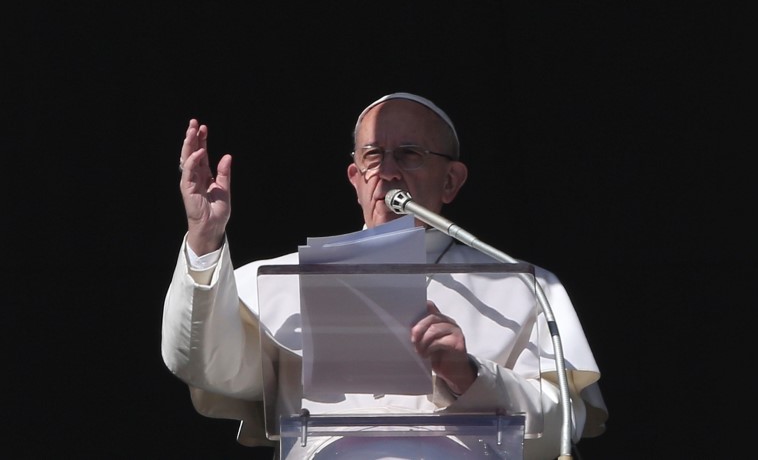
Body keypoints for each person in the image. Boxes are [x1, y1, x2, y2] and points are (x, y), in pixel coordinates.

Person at [161, 92, 608, 459]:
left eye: (409, 155)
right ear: (355, 177)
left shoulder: (520, 286)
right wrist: (205, 240)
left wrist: (470, 375)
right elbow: (205, 365)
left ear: (451, 181)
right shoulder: (280, 278)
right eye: (373, 156)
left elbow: (562, 427)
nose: (388, 172)